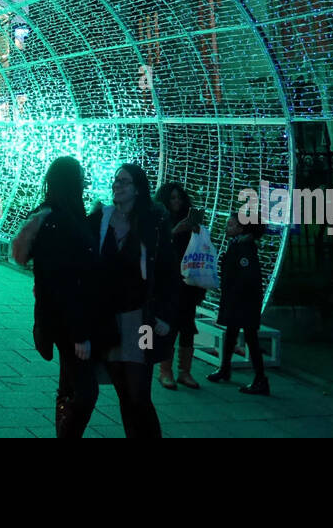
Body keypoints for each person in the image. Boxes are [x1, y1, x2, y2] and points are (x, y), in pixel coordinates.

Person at [11, 156, 100, 438]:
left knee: (70, 385)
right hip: (69, 321)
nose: (86, 183)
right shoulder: (61, 220)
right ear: (73, 182)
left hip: (55, 317)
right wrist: (80, 333)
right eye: (81, 178)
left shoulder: (58, 214)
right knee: (85, 392)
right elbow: (65, 282)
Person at [86, 163, 177, 439]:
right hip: (109, 321)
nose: (117, 185)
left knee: (139, 390)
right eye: (115, 180)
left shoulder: (153, 223)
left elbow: (168, 272)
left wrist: (163, 314)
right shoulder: (101, 220)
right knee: (123, 390)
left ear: (137, 188)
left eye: (124, 181)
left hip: (142, 320)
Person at [207, 213, 269, 394]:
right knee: (232, 333)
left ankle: (260, 379)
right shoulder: (238, 244)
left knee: (251, 338)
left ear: (241, 229)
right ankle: (225, 368)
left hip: (244, 302)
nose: (227, 227)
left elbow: (247, 276)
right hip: (238, 300)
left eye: (231, 225)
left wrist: (234, 294)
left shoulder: (244, 248)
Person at [155, 182, 207, 390]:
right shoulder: (160, 220)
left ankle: (185, 371)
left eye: (179, 198)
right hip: (169, 282)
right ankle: (164, 370)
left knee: (187, 325)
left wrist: (197, 231)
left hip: (189, 281)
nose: (176, 202)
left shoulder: (189, 222)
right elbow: (155, 246)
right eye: (172, 198)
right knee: (169, 325)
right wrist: (175, 231)